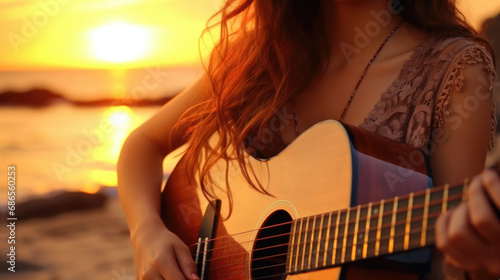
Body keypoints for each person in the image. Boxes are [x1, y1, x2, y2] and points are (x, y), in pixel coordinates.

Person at [117, 0, 500, 279]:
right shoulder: (255, 58)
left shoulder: (455, 71)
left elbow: (448, 264)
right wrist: (146, 233)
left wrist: (484, 261)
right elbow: (144, 144)